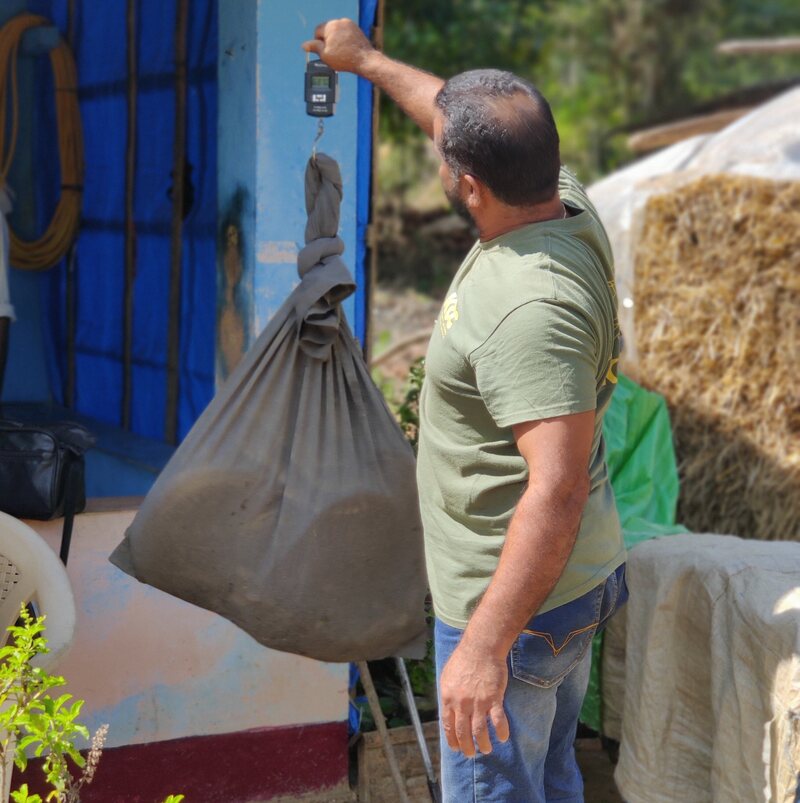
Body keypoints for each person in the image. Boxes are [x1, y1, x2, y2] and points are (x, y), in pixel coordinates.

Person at [304, 20, 628, 802]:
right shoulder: (563, 205)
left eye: (445, 155)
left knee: (501, 790)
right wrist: (368, 62)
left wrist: (483, 648)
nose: (436, 149)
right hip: (565, 588)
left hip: (513, 609)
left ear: (470, 185)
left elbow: (555, 491)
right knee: (548, 778)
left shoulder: (528, 309)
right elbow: (460, 123)